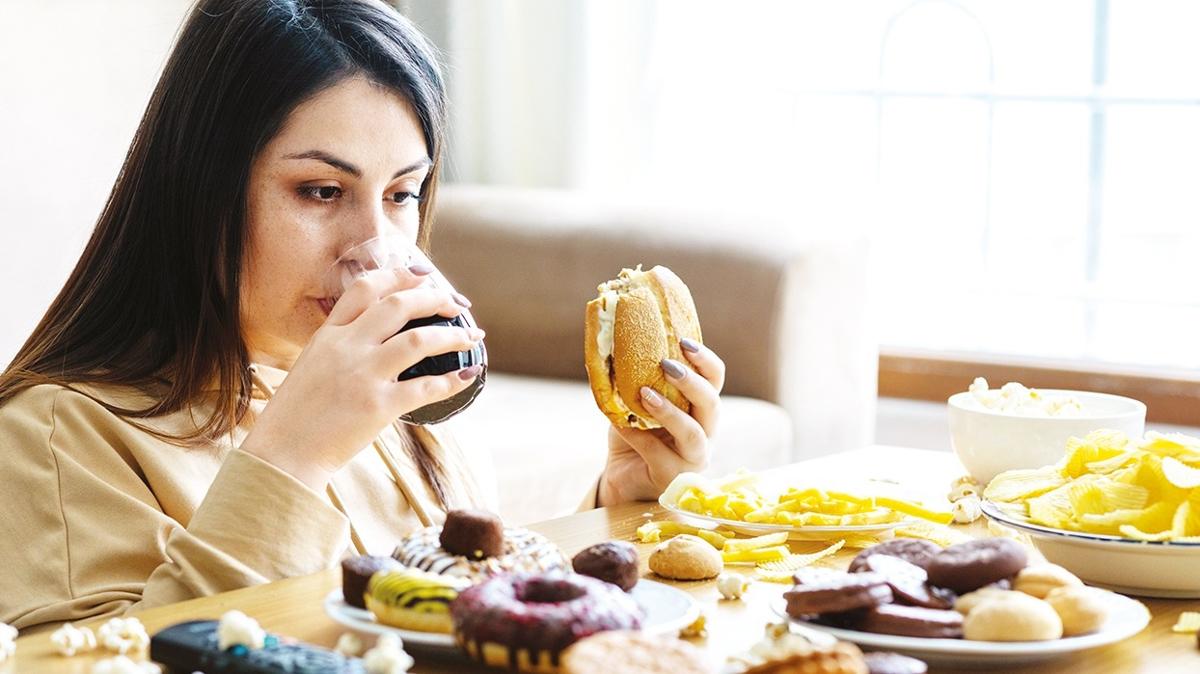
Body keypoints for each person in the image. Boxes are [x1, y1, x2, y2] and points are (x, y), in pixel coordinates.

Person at [0, 0, 724, 632]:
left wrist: (617, 505)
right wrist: (291, 458)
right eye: (320, 191)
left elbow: (468, 620)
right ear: (201, 191)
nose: (373, 249)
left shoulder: (402, 401)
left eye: (402, 194)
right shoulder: (57, 434)